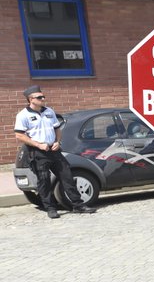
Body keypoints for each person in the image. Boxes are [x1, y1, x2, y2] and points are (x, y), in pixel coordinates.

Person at [14, 85, 96, 218]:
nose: (43, 99)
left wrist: (58, 141)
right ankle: (50, 208)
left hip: (54, 150)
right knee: (44, 180)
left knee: (67, 176)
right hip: (38, 152)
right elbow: (19, 135)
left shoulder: (49, 111)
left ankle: (78, 205)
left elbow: (57, 128)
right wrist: (38, 145)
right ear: (31, 99)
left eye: (43, 96)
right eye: (39, 97)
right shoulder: (23, 115)